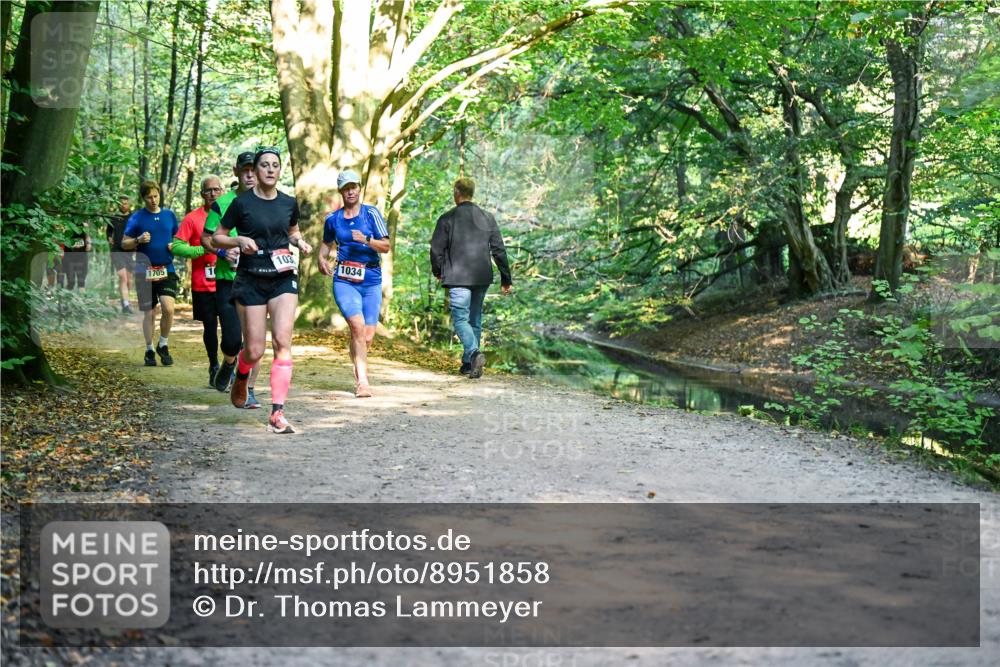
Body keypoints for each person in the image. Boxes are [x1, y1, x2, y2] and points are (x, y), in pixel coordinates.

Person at [213, 147, 312, 434]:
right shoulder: (241, 204)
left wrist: (299, 242)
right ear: (255, 171)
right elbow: (218, 237)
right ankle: (242, 374)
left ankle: (277, 413)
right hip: (250, 278)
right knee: (254, 350)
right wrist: (239, 240)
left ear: (280, 171)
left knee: (283, 341)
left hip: (282, 277)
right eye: (265, 165)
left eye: (275, 165)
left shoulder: (289, 203)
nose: (270, 170)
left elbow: (292, 231)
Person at [430, 177, 512, 378]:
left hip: (458, 277)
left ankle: (473, 353)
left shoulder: (447, 218)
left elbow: (436, 250)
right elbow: (498, 250)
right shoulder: (487, 218)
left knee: (460, 319)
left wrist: (438, 271)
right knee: (474, 320)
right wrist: (506, 278)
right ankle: (469, 364)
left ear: (457, 193)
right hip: (482, 276)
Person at [318, 169, 390, 398]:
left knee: (367, 336)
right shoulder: (333, 220)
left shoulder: (371, 214)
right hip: (345, 280)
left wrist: (367, 240)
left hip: (371, 280)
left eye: (354, 187)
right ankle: (363, 382)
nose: (350, 191)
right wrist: (321, 259)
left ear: (359, 188)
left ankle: (358, 365)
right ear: (341, 191)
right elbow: (326, 244)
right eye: (346, 188)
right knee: (357, 328)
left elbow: (386, 247)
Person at [202, 151, 262, 407]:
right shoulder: (221, 203)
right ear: (236, 172)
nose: (250, 174)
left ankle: (248, 389)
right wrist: (223, 252)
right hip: (228, 280)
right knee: (232, 340)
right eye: (245, 169)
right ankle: (228, 362)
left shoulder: (267, 201)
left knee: (254, 339)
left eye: (253, 169)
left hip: (257, 279)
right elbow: (206, 238)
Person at [173, 175, 223, 386]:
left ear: (222, 192)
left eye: (216, 190)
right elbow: (176, 246)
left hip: (227, 280)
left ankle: (232, 364)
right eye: (208, 190)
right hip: (203, 283)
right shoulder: (192, 218)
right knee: (210, 327)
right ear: (202, 194)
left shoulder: (230, 215)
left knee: (233, 327)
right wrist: (201, 249)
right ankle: (213, 365)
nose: (212, 194)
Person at [123, 180, 179, 367]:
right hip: (143, 270)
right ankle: (149, 349)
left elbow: (179, 239)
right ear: (143, 198)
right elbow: (124, 243)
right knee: (149, 313)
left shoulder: (169, 216)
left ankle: (163, 344)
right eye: (149, 197)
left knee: (168, 308)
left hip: (166, 268)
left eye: (156, 196)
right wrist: (138, 240)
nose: (153, 200)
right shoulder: (137, 218)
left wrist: (175, 246)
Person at [106, 195, 135, 313]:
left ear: (129, 204)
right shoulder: (114, 217)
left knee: (129, 280)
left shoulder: (134, 217)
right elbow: (109, 230)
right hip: (116, 250)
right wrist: (109, 237)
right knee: (122, 277)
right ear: (118, 204)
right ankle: (126, 305)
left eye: (126, 203)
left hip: (129, 251)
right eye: (121, 203)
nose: (123, 205)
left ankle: (125, 301)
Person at [60, 224, 91, 291]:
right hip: (69, 255)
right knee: (71, 282)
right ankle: (66, 297)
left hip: (82, 255)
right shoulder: (66, 223)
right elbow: (62, 238)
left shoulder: (84, 225)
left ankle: (82, 299)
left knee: (81, 281)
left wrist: (88, 243)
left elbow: (87, 236)